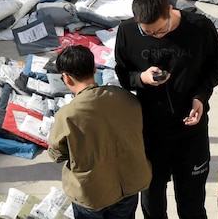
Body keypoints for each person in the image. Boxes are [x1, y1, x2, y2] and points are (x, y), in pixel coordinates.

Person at [114, 0, 218, 219]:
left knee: (192, 203)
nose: (155, 36)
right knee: (152, 201)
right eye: (148, 32)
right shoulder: (127, 32)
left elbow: (215, 66)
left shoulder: (199, 27)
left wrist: (200, 98)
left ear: (169, 12)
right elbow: (123, 74)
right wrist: (141, 78)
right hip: (149, 131)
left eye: (160, 30)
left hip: (190, 130)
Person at [48, 45, 152, 219]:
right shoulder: (126, 98)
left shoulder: (67, 115)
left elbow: (57, 154)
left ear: (66, 78)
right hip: (129, 185)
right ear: (95, 69)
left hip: (92, 193)